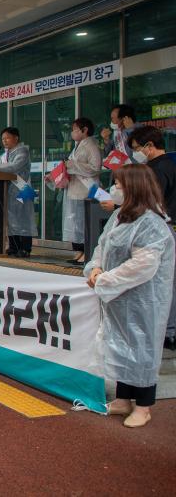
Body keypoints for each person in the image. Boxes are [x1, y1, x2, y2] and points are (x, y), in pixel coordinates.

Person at [85, 165, 174, 428]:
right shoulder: (119, 217)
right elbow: (102, 245)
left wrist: (105, 279)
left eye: (119, 186)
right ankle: (123, 399)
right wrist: (96, 267)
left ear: (134, 188)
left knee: (143, 348)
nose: (114, 190)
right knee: (121, 345)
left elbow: (143, 266)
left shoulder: (152, 224)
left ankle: (143, 406)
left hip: (144, 299)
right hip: (118, 298)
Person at [128, 126, 176, 351]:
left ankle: (169, 331)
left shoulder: (159, 168)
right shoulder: (166, 164)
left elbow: (151, 200)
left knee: (164, 281)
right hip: (165, 228)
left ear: (149, 146)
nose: (136, 153)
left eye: (137, 148)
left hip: (164, 229)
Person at [0, 127, 37, 257]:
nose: (5, 141)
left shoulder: (23, 151)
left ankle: (25, 248)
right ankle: (14, 247)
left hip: (23, 189)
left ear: (16, 138)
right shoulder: (5, 154)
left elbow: (13, 167)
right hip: (9, 190)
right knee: (11, 219)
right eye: (3, 139)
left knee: (23, 219)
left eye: (7, 138)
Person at [62, 118, 102, 265]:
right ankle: (79, 250)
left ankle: (87, 252)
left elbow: (95, 167)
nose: (73, 132)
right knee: (75, 223)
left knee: (84, 222)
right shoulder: (77, 146)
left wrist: (72, 164)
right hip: (75, 188)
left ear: (85, 130)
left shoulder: (91, 145)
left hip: (86, 189)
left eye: (75, 129)